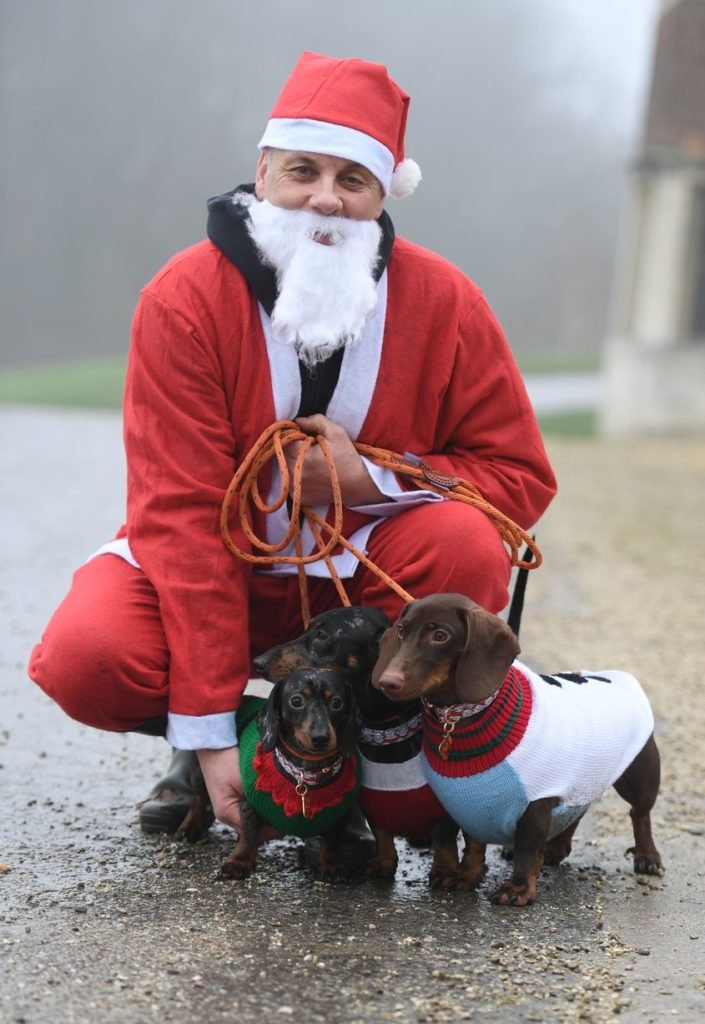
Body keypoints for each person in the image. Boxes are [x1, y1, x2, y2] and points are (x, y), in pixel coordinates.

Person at [28, 51, 557, 841]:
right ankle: (210, 744)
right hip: (215, 562)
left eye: (353, 181)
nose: (325, 200)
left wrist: (368, 479)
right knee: (88, 655)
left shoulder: (445, 299)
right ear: (263, 171)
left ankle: (364, 768)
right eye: (303, 171)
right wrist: (205, 731)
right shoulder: (184, 297)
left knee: (465, 547)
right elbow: (179, 512)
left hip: (361, 578)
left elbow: (517, 476)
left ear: (384, 194)